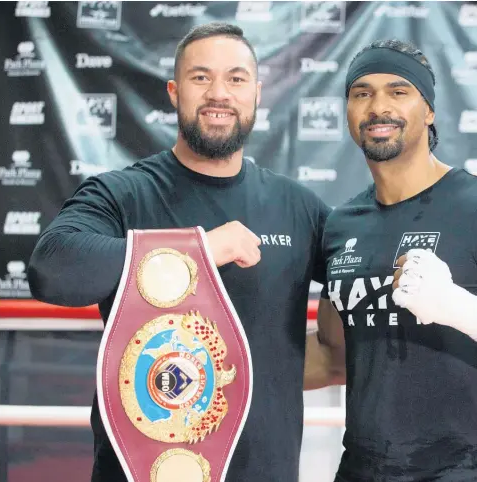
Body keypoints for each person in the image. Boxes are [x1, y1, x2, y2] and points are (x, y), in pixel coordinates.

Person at [28, 22, 332, 482]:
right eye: (200, 77)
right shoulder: (123, 194)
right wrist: (202, 249)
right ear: (174, 91)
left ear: (256, 93)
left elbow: (366, 271)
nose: (218, 93)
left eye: (235, 78)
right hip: (139, 472)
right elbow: (52, 270)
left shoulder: (298, 208)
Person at [304, 39, 477, 481]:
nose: (378, 106)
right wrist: (219, 363)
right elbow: (333, 356)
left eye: (399, 91)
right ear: (347, 111)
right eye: (362, 93)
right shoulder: (342, 224)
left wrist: (462, 309)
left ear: (429, 111)